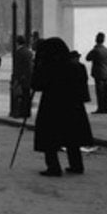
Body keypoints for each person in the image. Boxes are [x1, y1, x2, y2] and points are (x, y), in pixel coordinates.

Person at [31, 37, 93, 176]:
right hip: (73, 107)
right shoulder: (75, 66)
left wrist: (37, 65)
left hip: (52, 106)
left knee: (49, 139)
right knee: (72, 138)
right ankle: (76, 165)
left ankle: (53, 167)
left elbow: (36, 84)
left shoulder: (48, 67)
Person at [86, 32, 107, 114]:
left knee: (100, 92)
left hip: (99, 74)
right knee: (106, 92)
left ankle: (101, 108)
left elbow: (88, 58)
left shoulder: (95, 50)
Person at [10, 35, 34, 119]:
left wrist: (16, 78)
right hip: (28, 78)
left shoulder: (18, 53)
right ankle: (27, 112)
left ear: (17, 42)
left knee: (19, 96)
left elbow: (18, 67)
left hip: (21, 78)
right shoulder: (28, 52)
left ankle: (20, 112)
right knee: (26, 95)